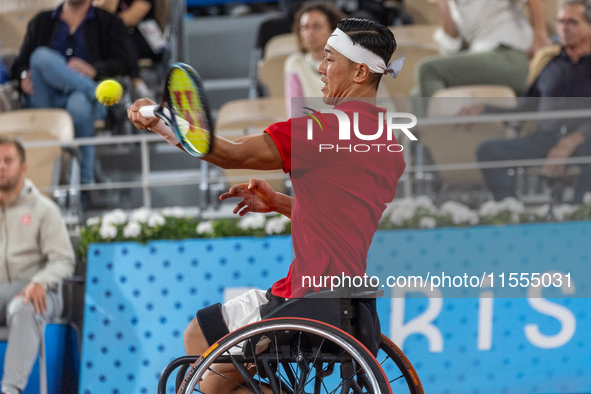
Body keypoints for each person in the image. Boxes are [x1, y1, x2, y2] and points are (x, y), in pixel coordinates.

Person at [129, 17, 406, 393]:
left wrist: (164, 122)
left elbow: (228, 154)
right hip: (347, 298)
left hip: (307, 297)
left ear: (359, 71)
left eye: (329, 60)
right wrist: (278, 201)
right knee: (200, 333)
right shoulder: (388, 144)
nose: (320, 69)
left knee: (208, 384)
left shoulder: (319, 130)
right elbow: (343, 218)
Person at [471, 0, 591, 204]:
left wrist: (574, 139)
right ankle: (510, 210)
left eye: (572, 22)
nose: (563, 27)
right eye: (560, 21)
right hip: (545, 139)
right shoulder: (549, 64)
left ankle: (580, 211)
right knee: (487, 151)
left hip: (584, 140)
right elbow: (525, 108)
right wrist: (486, 109)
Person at [10, 0, 134, 185]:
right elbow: (19, 63)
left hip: (84, 101)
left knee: (79, 105)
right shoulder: (41, 21)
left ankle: (83, 184)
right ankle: (93, 91)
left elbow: (125, 63)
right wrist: (23, 74)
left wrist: (94, 70)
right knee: (40, 56)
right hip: (46, 96)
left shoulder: (108, 21)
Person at [0, 138, 75, 394]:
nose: (1, 166)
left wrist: (39, 281)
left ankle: (10, 390)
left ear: (23, 167)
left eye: (7, 161)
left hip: (41, 293)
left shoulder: (44, 209)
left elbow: (64, 260)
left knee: (24, 306)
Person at [411, 0, 550, 99]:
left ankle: (434, 137)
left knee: (427, 70)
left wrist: (540, 34)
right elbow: (452, 47)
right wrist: (443, 5)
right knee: (416, 94)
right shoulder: (455, 5)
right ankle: (438, 136)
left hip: (514, 54)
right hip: (483, 59)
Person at [284, 1, 346, 108]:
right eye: (304, 27)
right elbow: (296, 115)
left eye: (316, 27)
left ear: (333, 31)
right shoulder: (295, 64)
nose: (309, 33)